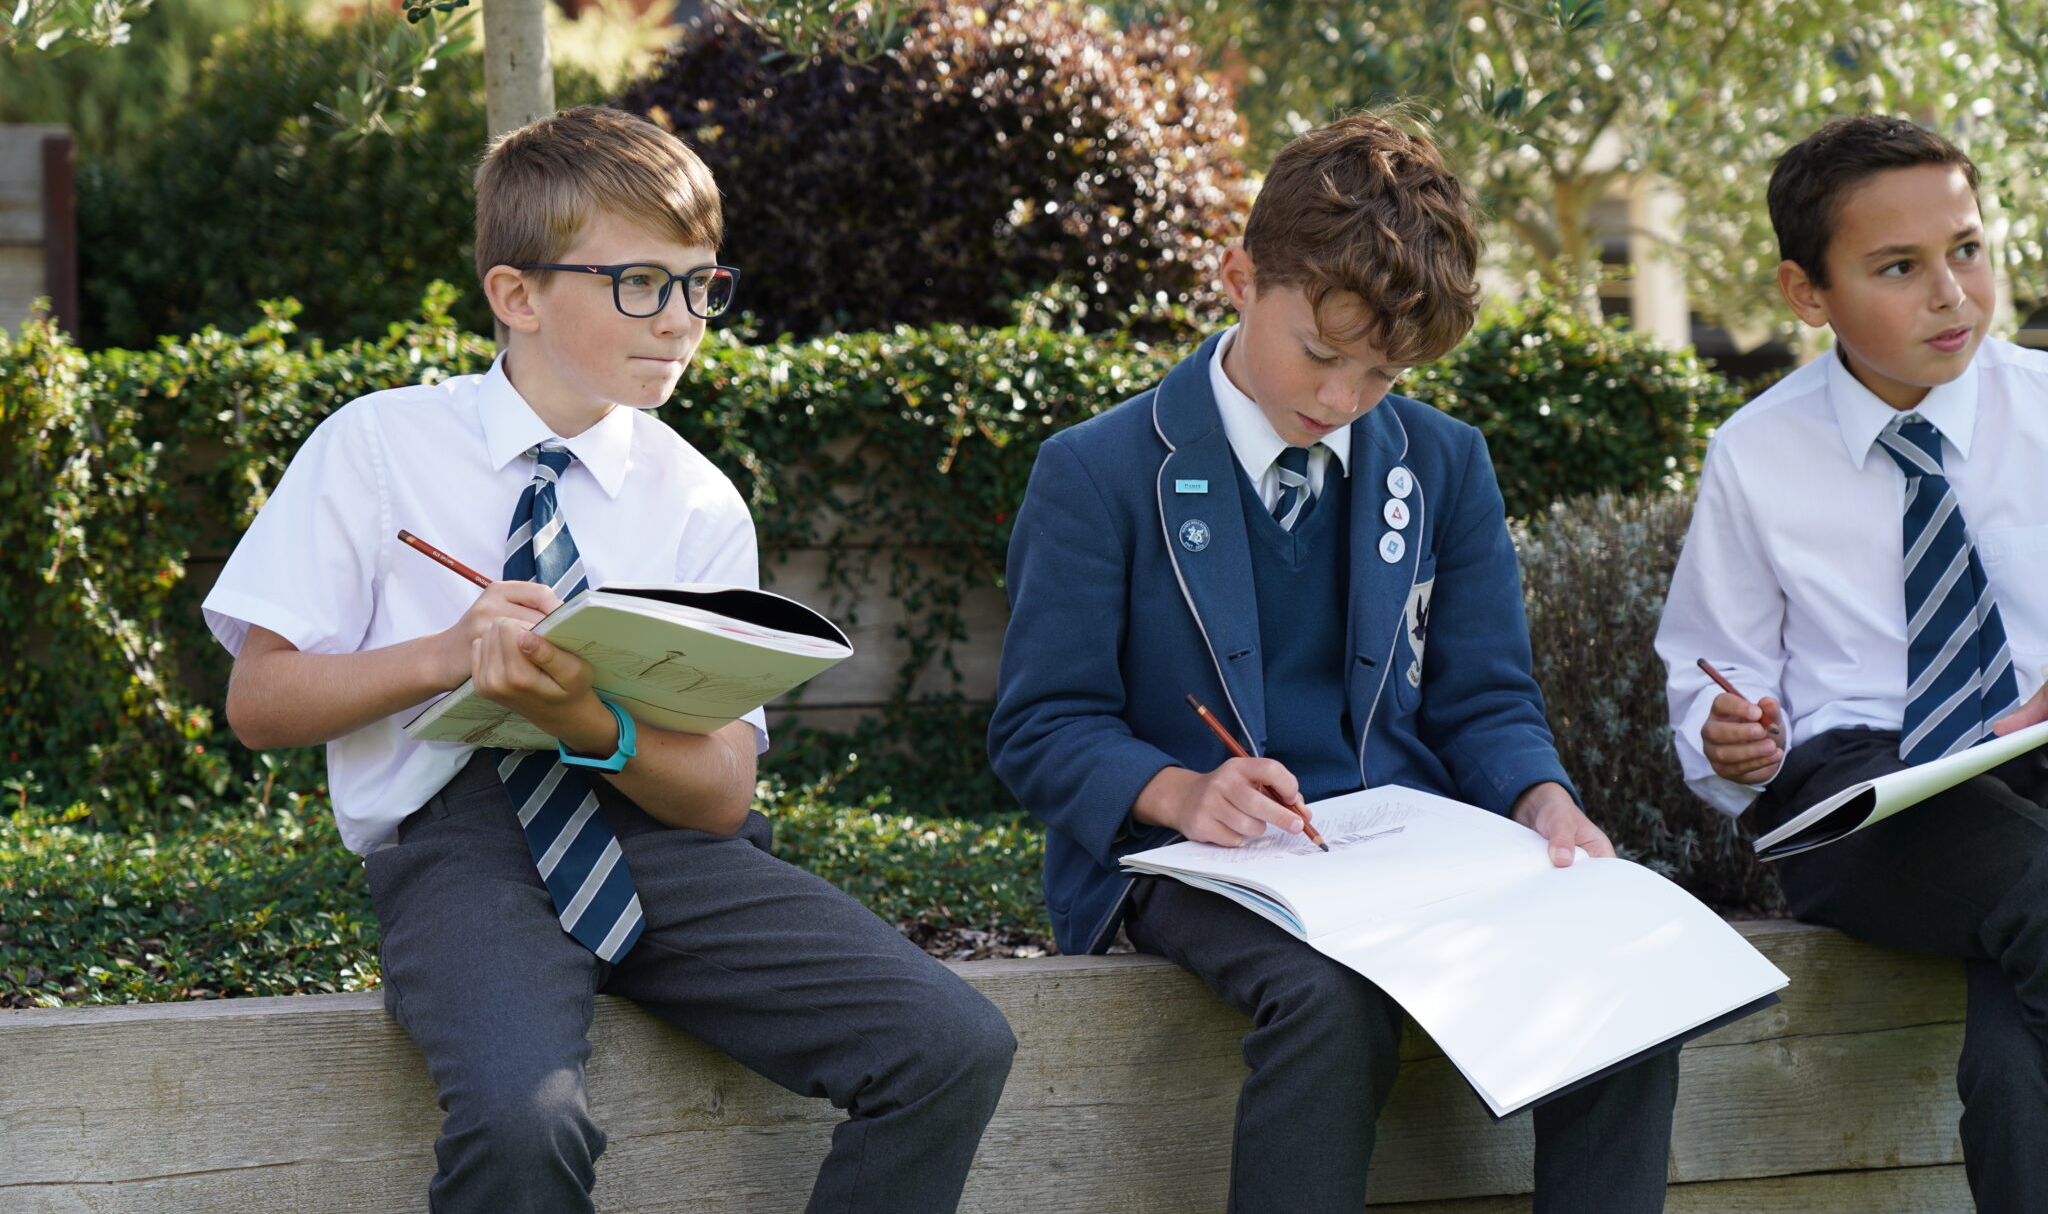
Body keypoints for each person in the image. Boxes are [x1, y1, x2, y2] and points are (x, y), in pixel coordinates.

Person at [203, 105, 1015, 1214]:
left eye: (700, 284)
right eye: (639, 283)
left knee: (950, 1041)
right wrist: (447, 653)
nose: (681, 319)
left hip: (656, 833)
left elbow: (723, 792)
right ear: (517, 294)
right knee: (524, 1123)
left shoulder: (695, 500)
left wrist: (598, 724)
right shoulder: (378, 447)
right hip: (462, 848)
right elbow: (259, 698)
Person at [988, 113, 1678, 1213]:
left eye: (1381, 374)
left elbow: (1485, 697)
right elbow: (1039, 728)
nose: (1342, 399)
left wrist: (1545, 805)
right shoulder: (1096, 471)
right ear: (1237, 276)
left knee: (1616, 968)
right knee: (1329, 996)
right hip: (1185, 860)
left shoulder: (1445, 465)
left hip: (1404, 848)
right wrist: (1179, 789)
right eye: (1320, 353)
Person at [1655, 113, 2048, 1211]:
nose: (1951, 293)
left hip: (2033, 766)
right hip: (1869, 801)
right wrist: (1726, 735)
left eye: (1966, 247)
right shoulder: (1753, 455)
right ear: (1804, 293)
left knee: (2017, 1063)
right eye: (1897, 267)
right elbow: (1710, 679)